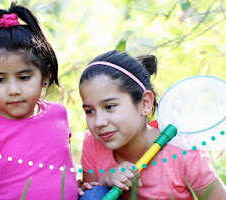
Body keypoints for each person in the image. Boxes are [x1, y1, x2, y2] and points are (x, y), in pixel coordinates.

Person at [0, 2, 78, 200]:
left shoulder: (59, 114)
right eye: (0, 80)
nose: (13, 90)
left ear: (45, 76)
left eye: (24, 77)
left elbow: (61, 173)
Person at [78, 50, 226, 199]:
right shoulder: (93, 143)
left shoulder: (182, 152)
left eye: (109, 106)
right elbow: (92, 193)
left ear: (145, 103)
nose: (99, 122)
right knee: (94, 195)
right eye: (89, 111)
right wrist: (106, 180)